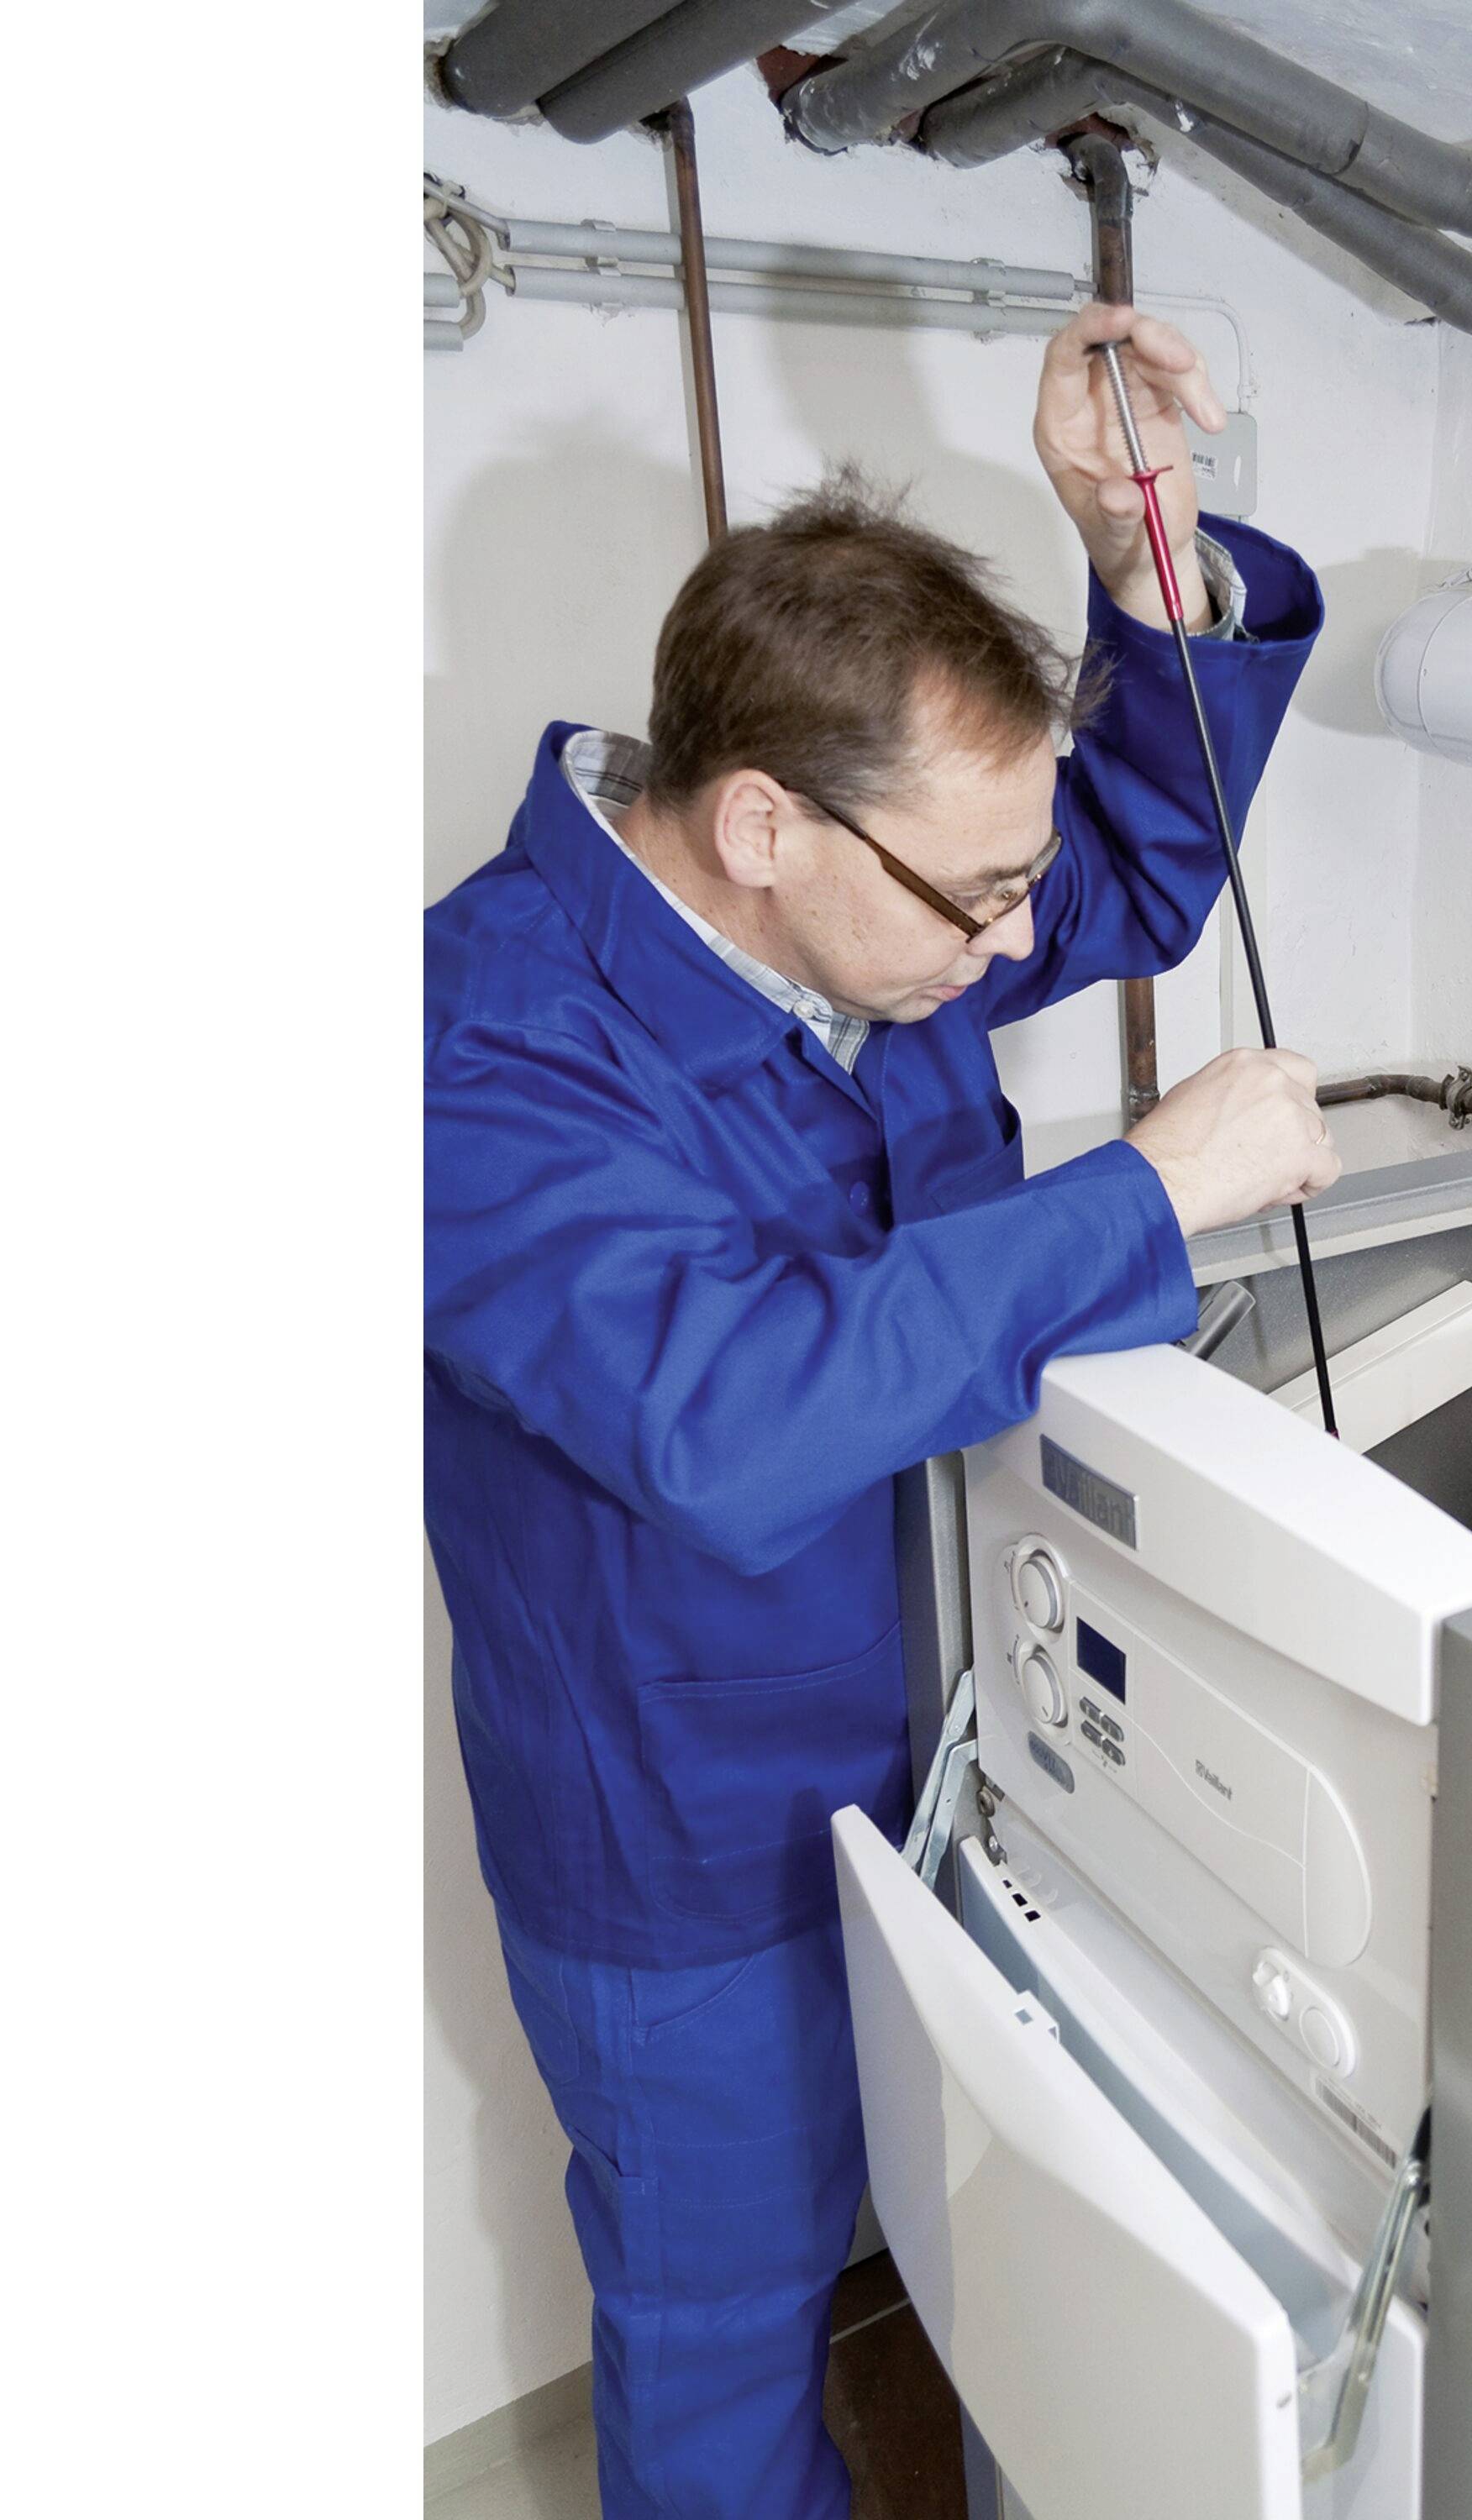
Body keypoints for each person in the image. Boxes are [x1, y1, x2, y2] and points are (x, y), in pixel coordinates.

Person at [424, 302, 1338, 2519]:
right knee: (725, 2339)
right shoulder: (467, 1044)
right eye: (984, 899)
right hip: (687, 1837)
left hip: (953, 1734)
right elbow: (723, 1415)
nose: (1032, 941)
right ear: (761, 823)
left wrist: (1139, 568)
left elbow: (1124, 860)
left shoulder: (882, 903)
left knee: (954, 2241)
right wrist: (1150, 1187)